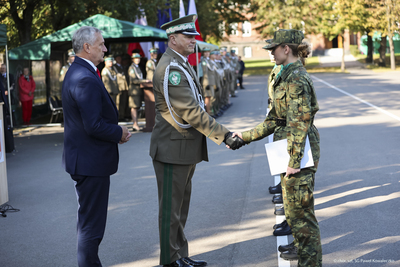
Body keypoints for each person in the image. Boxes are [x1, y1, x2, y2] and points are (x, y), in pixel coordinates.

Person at [150, 14, 245, 267]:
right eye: (188, 36)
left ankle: (180, 255)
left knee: (180, 208)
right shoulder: (171, 68)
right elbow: (191, 111)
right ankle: (169, 261)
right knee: (171, 210)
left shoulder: (180, 62)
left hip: (181, 147)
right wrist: (224, 134)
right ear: (173, 39)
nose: (194, 40)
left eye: (194, 36)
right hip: (172, 148)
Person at [231, 29, 322, 266]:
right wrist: (245, 136)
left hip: (297, 152)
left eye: (273, 48)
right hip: (288, 149)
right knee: (293, 214)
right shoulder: (286, 75)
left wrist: (294, 162)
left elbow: (299, 124)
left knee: (302, 217)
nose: (270, 52)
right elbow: (274, 120)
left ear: (286, 49)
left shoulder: (296, 79)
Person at [62, 26, 131, 267]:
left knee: (89, 224)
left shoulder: (81, 72)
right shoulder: (83, 78)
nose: (105, 48)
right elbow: (93, 125)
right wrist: (119, 132)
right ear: (86, 47)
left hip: (88, 160)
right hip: (90, 163)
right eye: (101, 44)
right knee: (91, 227)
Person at [128, 53, 150, 131]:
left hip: (138, 90)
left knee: (137, 107)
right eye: (136, 58)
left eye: (139, 58)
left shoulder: (137, 67)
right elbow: (133, 80)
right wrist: (144, 80)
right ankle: (135, 124)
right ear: (132, 59)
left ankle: (136, 123)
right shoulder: (132, 68)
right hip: (134, 91)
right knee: (134, 107)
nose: (137, 60)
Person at [113, 54, 129, 121]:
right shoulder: (114, 67)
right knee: (118, 103)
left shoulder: (122, 66)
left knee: (123, 102)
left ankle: (122, 116)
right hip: (119, 87)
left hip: (124, 87)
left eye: (120, 58)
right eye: (118, 58)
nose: (119, 59)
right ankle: (118, 116)